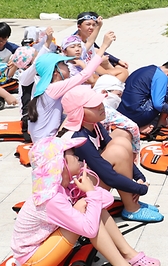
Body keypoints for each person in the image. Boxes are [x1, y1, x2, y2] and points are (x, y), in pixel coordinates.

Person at [9, 134, 161, 266]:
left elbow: (107, 200)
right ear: (61, 165)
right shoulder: (52, 199)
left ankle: (128, 253)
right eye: (73, 155)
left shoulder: (62, 187)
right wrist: (91, 195)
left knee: (89, 205)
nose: (78, 157)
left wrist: (90, 190)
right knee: (86, 207)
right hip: (33, 260)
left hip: (45, 246)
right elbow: (89, 229)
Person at [59, 86, 162, 223]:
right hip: (77, 193)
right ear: (79, 112)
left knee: (121, 140)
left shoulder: (94, 125)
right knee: (117, 151)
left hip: (90, 178)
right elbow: (108, 175)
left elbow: (111, 149)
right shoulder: (78, 137)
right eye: (94, 105)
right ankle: (131, 208)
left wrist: (139, 177)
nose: (101, 106)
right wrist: (140, 189)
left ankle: (130, 201)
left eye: (100, 102)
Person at [26, 31, 115, 142]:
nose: (67, 66)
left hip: (42, 141)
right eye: (63, 64)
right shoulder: (53, 88)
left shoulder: (44, 88)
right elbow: (85, 74)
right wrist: (104, 46)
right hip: (48, 145)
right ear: (55, 72)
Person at [117, 59, 168, 132]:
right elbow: (158, 104)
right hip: (135, 115)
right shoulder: (162, 76)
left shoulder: (147, 68)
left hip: (121, 111)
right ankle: (161, 122)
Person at [72, 11, 130, 82]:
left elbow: (93, 45)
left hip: (93, 69)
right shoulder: (75, 43)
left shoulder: (87, 38)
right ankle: (111, 88)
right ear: (79, 26)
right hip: (86, 76)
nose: (91, 27)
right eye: (88, 24)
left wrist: (117, 61)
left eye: (94, 25)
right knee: (123, 73)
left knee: (120, 68)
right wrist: (105, 44)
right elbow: (91, 45)